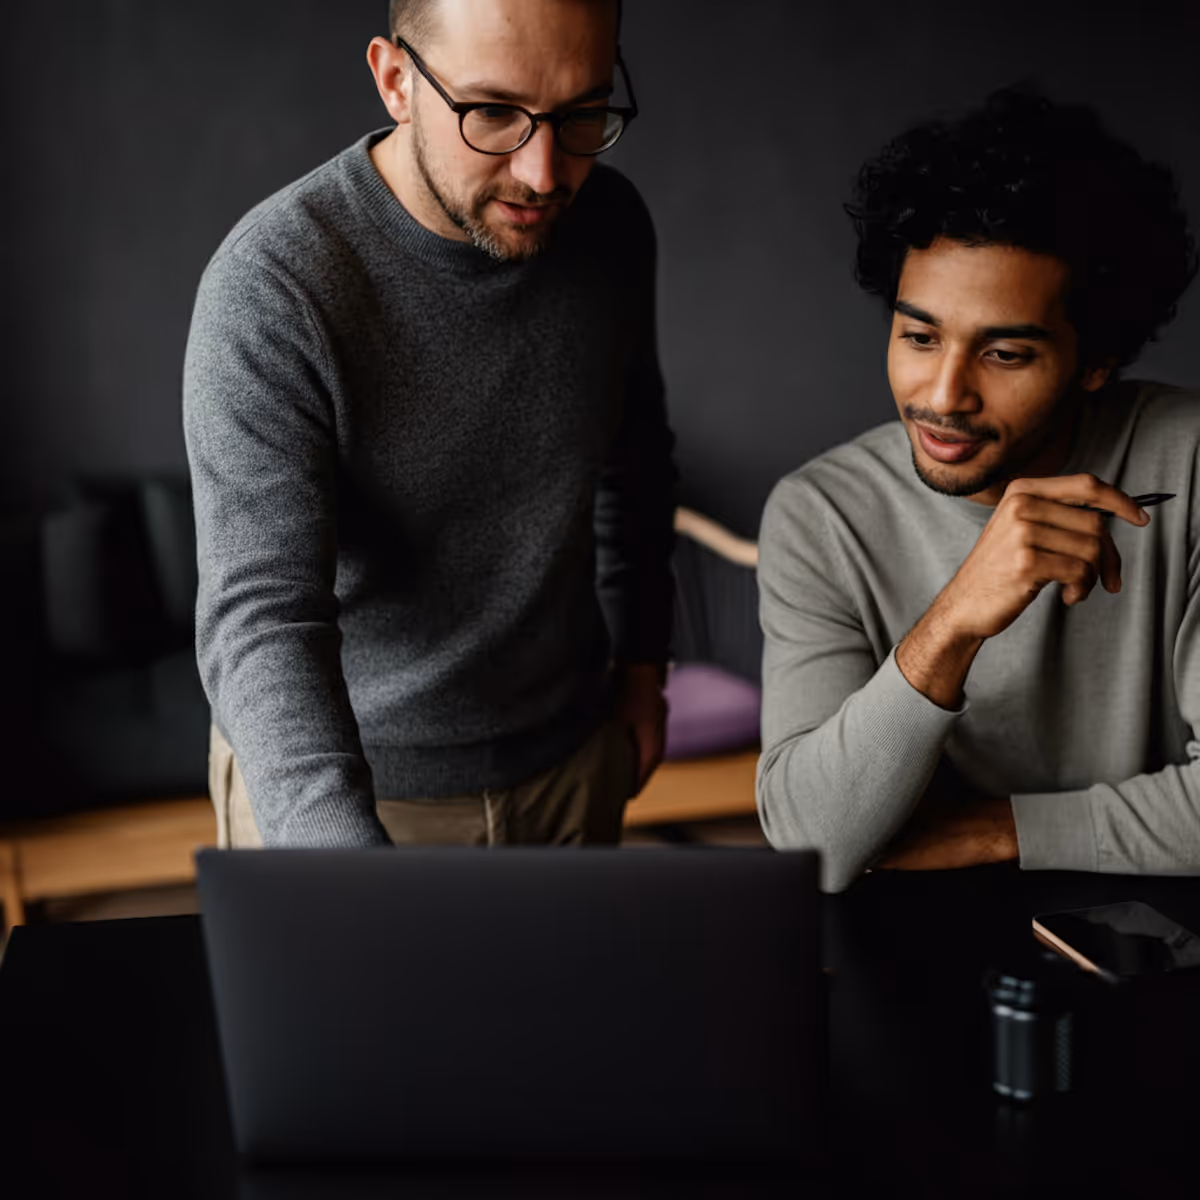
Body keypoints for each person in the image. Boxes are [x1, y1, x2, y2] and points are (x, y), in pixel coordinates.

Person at [183, 0, 675, 849]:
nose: (544, 171)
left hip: (570, 762)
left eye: (584, 113)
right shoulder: (273, 286)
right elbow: (262, 617)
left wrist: (641, 666)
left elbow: (632, 460)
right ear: (396, 80)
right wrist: (343, 861)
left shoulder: (612, 225)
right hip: (349, 796)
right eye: (492, 112)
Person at [757, 88, 1200, 891]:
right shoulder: (819, 515)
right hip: (922, 941)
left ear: (1096, 361)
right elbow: (810, 844)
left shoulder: (1192, 462)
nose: (944, 394)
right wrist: (956, 618)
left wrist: (1002, 831)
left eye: (1005, 354)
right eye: (920, 337)